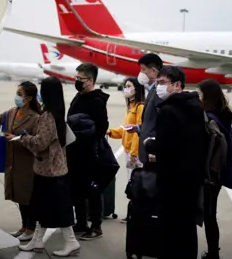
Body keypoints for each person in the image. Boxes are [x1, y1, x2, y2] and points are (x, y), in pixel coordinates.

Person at [146, 66, 208, 259]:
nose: (159, 86)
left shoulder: (169, 110)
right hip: (191, 175)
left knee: (171, 225)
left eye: (163, 82)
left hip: (173, 175)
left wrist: (150, 144)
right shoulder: (194, 106)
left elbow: (166, 145)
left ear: (177, 85)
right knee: (187, 224)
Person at [14, 77, 79, 257]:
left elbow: (40, 143)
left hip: (49, 169)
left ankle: (71, 242)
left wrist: (24, 138)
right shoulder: (57, 113)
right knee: (42, 206)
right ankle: (38, 240)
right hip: (53, 168)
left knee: (59, 208)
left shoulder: (48, 116)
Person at [0, 82, 41, 241]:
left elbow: (37, 141)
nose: (17, 97)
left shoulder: (35, 118)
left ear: (29, 98)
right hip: (12, 160)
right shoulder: (12, 112)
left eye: (20, 94)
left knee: (27, 196)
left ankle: (31, 228)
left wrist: (18, 139)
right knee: (17, 195)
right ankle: (24, 226)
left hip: (26, 162)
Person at [66, 63, 110, 240]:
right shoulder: (79, 96)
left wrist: (85, 136)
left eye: (80, 79)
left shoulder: (96, 101)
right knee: (77, 189)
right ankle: (81, 222)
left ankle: (96, 226)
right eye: (76, 78)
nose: (77, 81)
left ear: (91, 81)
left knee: (92, 190)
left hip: (89, 151)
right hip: (75, 150)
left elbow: (102, 127)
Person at [196, 79, 232, 259]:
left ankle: (213, 257)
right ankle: (213, 255)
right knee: (211, 215)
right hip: (218, 172)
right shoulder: (224, 115)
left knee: (209, 216)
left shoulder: (209, 118)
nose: (198, 97)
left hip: (209, 173)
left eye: (200, 94)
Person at [107, 77, 145, 222]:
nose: (126, 89)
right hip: (129, 151)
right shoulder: (131, 107)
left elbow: (139, 131)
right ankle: (133, 213)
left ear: (137, 88)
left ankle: (135, 214)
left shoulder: (140, 107)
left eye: (129, 86)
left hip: (134, 153)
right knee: (132, 183)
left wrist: (135, 153)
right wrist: (111, 132)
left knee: (135, 183)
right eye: (125, 86)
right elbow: (126, 129)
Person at [130, 53, 164, 165]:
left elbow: (161, 123)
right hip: (147, 151)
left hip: (153, 153)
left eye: (143, 69)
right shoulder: (151, 90)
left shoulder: (159, 92)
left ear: (154, 71)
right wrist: (139, 129)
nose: (141, 73)